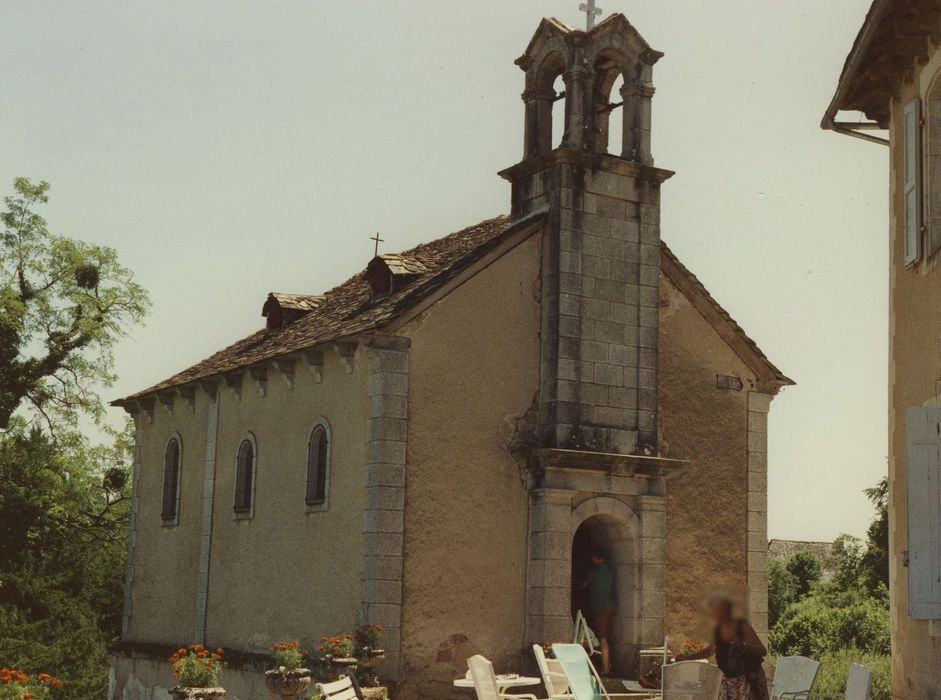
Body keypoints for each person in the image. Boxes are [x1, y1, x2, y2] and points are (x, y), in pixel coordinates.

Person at [680, 593, 768, 700]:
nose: (711, 614)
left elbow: (762, 651)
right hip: (729, 682)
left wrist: (744, 646)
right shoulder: (717, 630)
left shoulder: (742, 625)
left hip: (749, 680)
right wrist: (687, 657)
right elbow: (709, 651)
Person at [585, 548, 616, 676]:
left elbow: (583, 586)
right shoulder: (610, 571)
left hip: (600, 608)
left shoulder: (594, 572)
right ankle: (609, 665)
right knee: (607, 638)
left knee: (602, 639)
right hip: (611, 606)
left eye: (593, 557)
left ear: (598, 558)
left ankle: (605, 670)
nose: (592, 560)